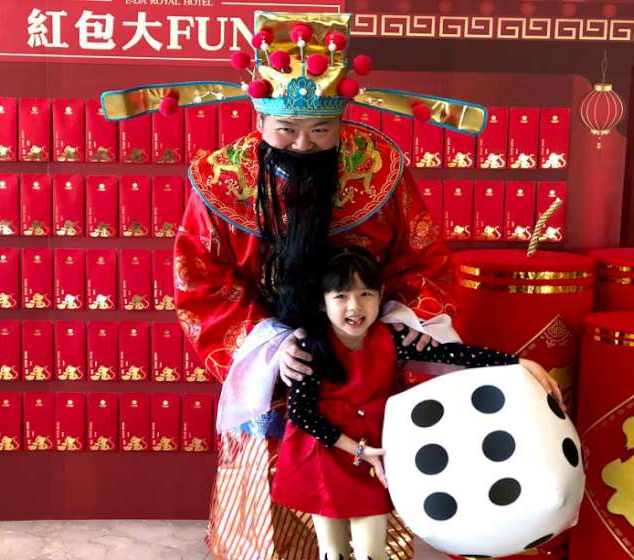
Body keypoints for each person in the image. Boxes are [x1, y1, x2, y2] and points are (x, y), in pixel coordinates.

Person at [100, 11, 511, 560]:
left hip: (364, 350)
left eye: (320, 130)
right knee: (279, 477)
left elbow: (422, 259)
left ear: (342, 119)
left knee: (369, 476)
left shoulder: (378, 168)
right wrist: (271, 345)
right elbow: (200, 279)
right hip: (276, 354)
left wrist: (387, 327)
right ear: (260, 117)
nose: (302, 144)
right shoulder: (223, 179)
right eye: (286, 129)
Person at [270, 246, 562, 560]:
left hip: (374, 452)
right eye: (341, 296)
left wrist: (518, 362)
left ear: (380, 295)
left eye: (366, 294)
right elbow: (301, 415)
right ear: (323, 301)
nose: (354, 307)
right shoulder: (307, 346)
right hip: (323, 450)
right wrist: (358, 450)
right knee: (332, 551)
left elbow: (453, 354)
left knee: (371, 552)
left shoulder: (395, 337)